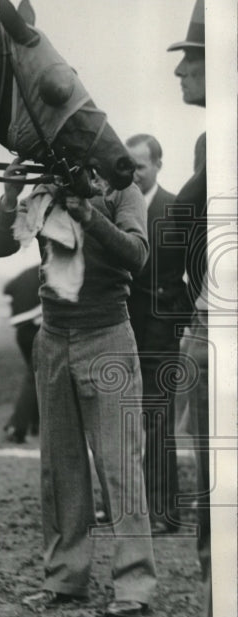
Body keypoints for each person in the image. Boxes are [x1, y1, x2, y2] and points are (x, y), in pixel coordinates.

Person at [0, 157, 156, 617]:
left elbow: (138, 255)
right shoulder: (44, 187)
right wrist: (8, 198)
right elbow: (2, 246)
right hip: (53, 339)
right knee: (59, 467)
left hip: (106, 336)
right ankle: (65, 580)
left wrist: (89, 216)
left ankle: (135, 585)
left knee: (119, 466)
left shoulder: (122, 188)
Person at [167, 0, 211, 617]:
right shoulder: (208, 142)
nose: (180, 72)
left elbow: (180, 218)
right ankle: (213, 581)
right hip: (209, 325)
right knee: (211, 469)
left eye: (193, 59)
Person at [124, 133, 188, 535]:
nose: (133, 173)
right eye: (127, 165)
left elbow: (188, 273)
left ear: (158, 165)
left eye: (141, 166)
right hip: (123, 325)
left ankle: (164, 511)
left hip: (160, 330)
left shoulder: (174, 208)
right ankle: (132, 509)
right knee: (123, 419)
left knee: (158, 419)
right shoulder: (120, 206)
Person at [2, 265, 42, 444]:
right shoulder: (50, 270)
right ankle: (18, 426)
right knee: (35, 377)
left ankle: (34, 424)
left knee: (36, 376)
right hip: (35, 328)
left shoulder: (28, 272)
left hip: (21, 330)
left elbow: (7, 288)